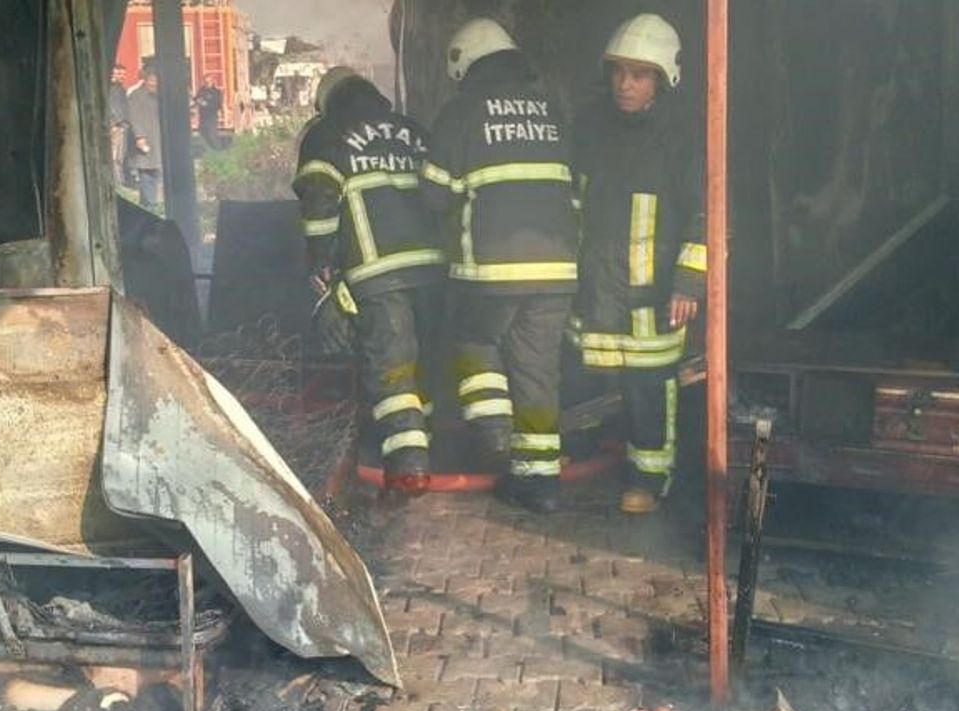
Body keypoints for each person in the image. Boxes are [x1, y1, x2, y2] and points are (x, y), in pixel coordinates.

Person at [420, 19, 579, 512]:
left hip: (490, 272)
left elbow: (434, 195)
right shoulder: (551, 109)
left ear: (466, 65)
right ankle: (541, 482)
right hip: (557, 273)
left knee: (473, 343)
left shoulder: (462, 112)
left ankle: (494, 441)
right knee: (537, 371)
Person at [564, 13, 706, 514]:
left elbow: (705, 214)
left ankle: (649, 477)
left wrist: (688, 283)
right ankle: (577, 452)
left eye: (640, 74)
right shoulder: (590, 128)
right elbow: (572, 203)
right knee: (579, 375)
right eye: (619, 72)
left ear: (663, 79)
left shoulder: (683, 137)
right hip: (595, 288)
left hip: (652, 296)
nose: (625, 84)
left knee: (649, 388)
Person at [293, 67, 447, 493]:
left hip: (378, 272)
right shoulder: (411, 130)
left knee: (392, 368)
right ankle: (426, 446)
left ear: (326, 102)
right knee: (423, 366)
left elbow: (319, 201)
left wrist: (320, 263)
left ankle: (408, 467)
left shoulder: (326, 135)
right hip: (434, 269)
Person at [127, 65, 164, 211]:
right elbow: (134, 117)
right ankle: (150, 203)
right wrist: (139, 137)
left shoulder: (157, 96)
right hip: (145, 139)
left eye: (156, 81)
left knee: (154, 170)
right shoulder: (136, 96)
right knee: (146, 170)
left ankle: (148, 203)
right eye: (152, 80)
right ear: (146, 80)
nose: (154, 84)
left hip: (156, 138)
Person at [109, 66, 132, 189]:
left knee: (120, 156)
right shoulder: (111, 89)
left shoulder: (121, 89)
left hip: (121, 127)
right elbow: (112, 108)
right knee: (115, 157)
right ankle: (117, 183)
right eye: (118, 74)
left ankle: (120, 182)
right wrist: (114, 124)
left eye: (122, 74)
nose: (121, 76)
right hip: (115, 127)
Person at [193, 74, 224, 149]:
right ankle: (207, 150)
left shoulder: (216, 92)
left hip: (211, 117)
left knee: (212, 134)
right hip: (203, 116)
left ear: (212, 82)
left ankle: (218, 149)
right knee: (203, 134)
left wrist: (206, 104)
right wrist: (198, 101)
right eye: (206, 82)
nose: (207, 83)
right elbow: (196, 99)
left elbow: (218, 105)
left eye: (209, 81)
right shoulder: (201, 90)